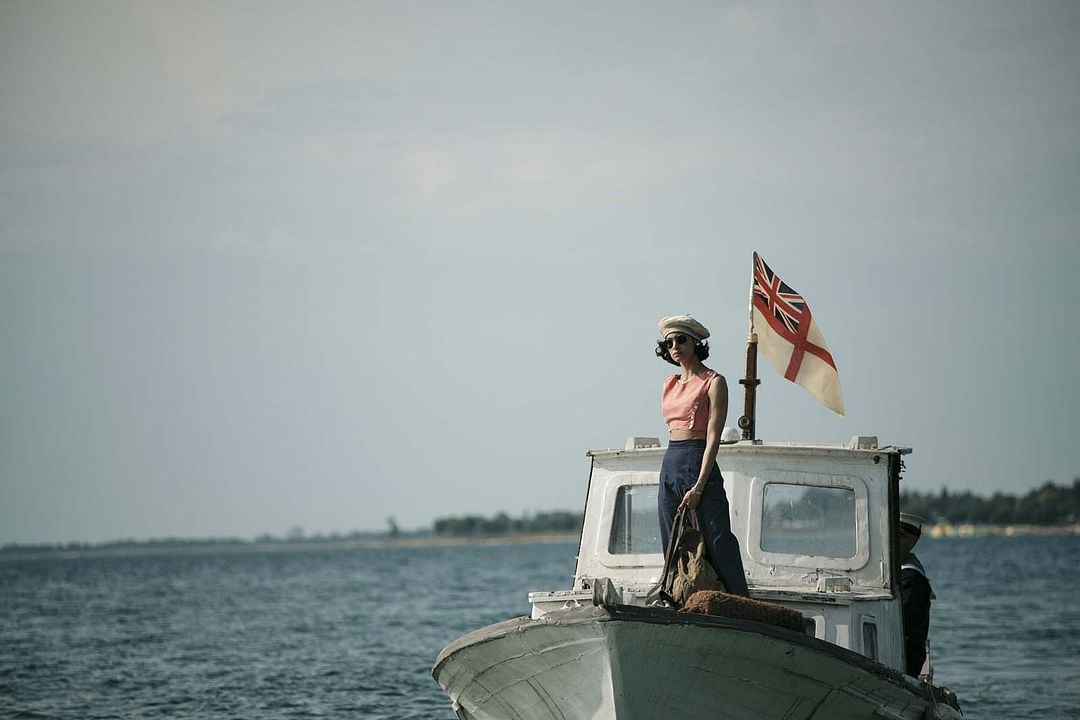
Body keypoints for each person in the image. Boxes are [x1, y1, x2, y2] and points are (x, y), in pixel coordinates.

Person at [655, 314, 750, 597]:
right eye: (669, 342)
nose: (675, 346)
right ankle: (677, 595)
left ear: (696, 342)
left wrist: (698, 485)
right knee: (671, 538)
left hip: (698, 458)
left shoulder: (714, 381)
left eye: (681, 339)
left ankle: (738, 599)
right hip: (671, 460)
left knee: (717, 536)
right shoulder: (668, 383)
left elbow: (713, 437)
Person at [899, 512, 933, 677]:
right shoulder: (900, 570)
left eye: (902, 536)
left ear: (913, 541)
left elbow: (902, 620)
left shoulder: (911, 576)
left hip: (905, 660)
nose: (896, 541)